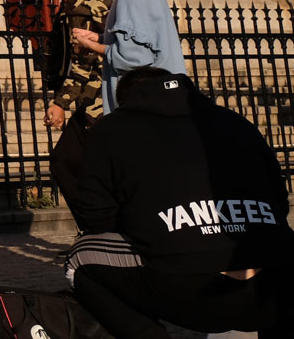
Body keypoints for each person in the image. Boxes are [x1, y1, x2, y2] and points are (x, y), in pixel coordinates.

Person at [69, 67, 294, 339]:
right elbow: (280, 203)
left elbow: (95, 218)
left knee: (78, 257)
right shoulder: (236, 121)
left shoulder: (111, 128)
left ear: (125, 99)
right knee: (277, 246)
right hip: (273, 288)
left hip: (189, 290)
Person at [34, 0, 111, 207]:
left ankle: (96, 229)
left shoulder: (80, 13)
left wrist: (60, 104)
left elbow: (82, 64)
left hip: (96, 105)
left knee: (66, 165)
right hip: (93, 103)